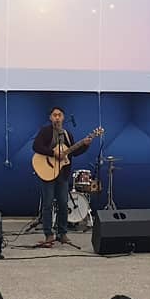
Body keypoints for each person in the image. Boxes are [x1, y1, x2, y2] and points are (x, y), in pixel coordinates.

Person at [31, 106, 93, 247]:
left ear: (63, 118)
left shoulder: (67, 134)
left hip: (62, 175)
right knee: (47, 204)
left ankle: (62, 233)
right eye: (55, 115)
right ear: (50, 118)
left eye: (59, 115)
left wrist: (85, 145)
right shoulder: (45, 131)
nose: (57, 118)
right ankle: (48, 234)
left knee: (63, 204)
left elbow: (73, 152)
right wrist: (53, 153)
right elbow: (36, 147)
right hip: (47, 173)